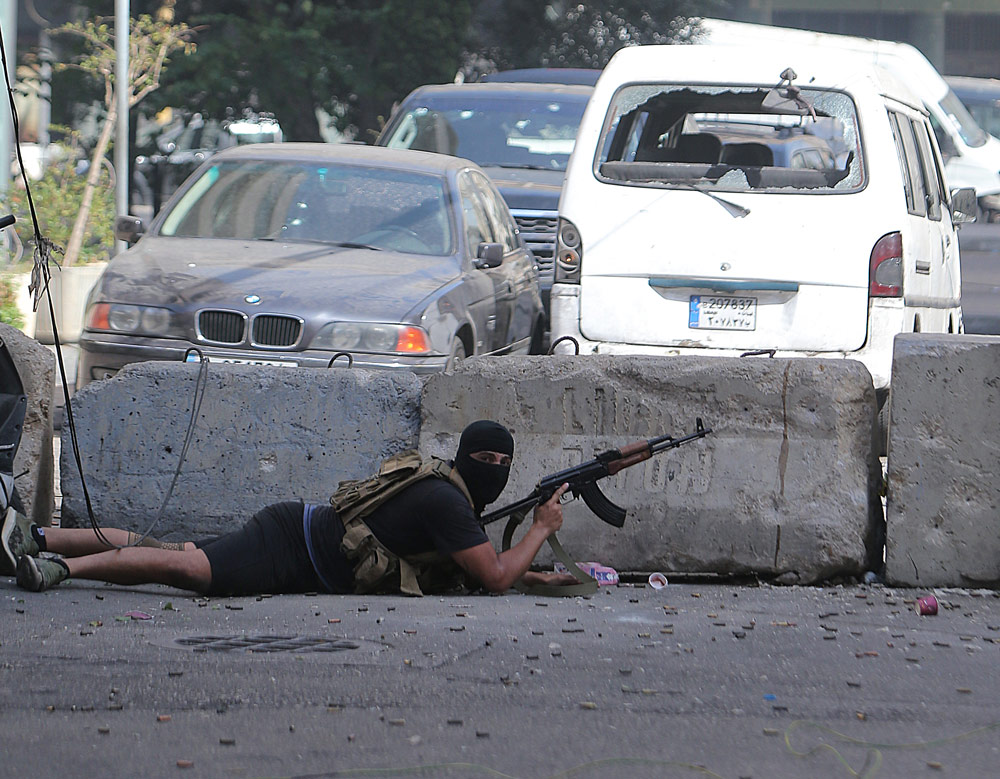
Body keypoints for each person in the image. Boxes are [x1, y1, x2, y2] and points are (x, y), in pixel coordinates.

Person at [3, 420, 577, 596]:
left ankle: (38, 539)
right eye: (486, 458)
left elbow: (484, 568)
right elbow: (494, 577)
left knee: (173, 551)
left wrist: (532, 568)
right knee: (186, 568)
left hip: (295, 535)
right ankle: (57, 569)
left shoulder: (449, 495)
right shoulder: (450, 505)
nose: (495, 470)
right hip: (290, 547)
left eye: (504, 462)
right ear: (464, 458)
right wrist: (542, 528)